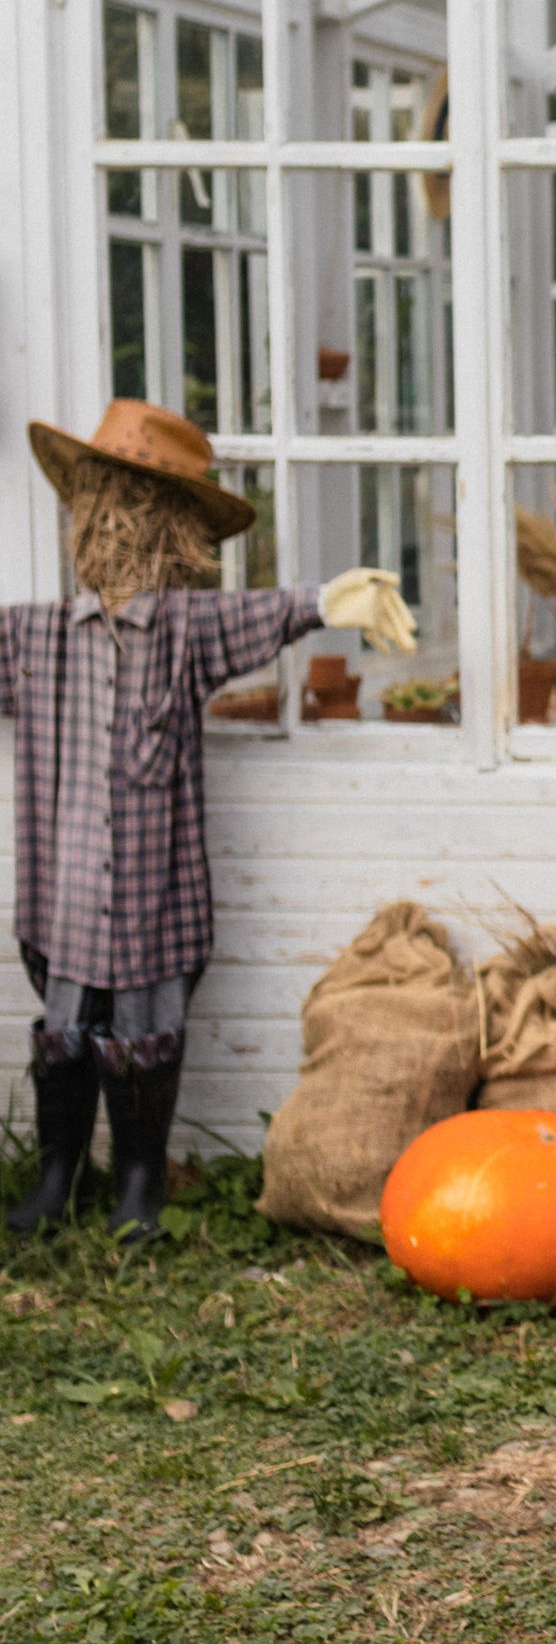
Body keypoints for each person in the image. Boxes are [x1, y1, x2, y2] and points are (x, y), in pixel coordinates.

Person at [2, 401, 414, 1241]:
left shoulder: (185, 631)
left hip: (157, 898)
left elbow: (260, 614)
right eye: (105, 511)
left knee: (147, 1027)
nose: (116, 535)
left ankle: (140, 1180)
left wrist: (331, 599)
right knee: (69, 1028)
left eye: (136, 517)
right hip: (68, 894)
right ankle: (58, 1173)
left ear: (173, 535)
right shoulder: (33, 638)